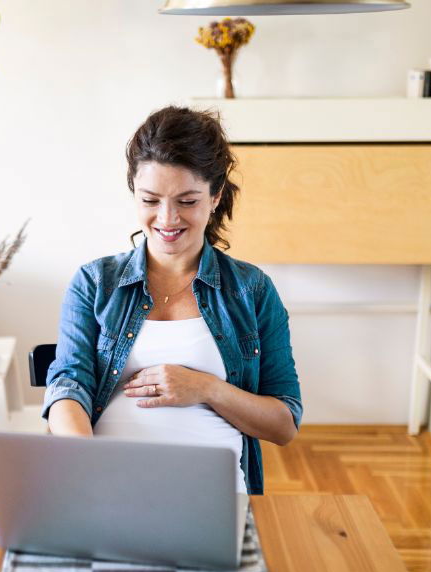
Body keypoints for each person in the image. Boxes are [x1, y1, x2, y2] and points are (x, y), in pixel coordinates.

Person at [42, 106, 301, 495]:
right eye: (150, 200)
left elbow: (283, 424)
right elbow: (68, 386)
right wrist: (86, 465)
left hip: (211, 494)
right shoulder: (94, 283)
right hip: (107, 483)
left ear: (215, 197)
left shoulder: (252, 290)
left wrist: (206, 388)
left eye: (187, 200)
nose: (166, 219)